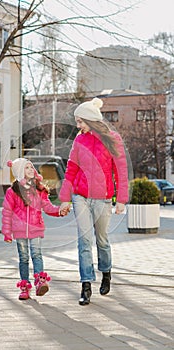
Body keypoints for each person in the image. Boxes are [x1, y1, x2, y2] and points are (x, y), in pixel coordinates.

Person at [59, 97, 129, 306]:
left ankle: (106, 272)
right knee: (84, 241)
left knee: (102, 240)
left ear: (90, 119)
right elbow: (71, 170)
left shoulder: (112, 139)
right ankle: (86, 285)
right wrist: (65, 199)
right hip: (80, 197)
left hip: (103, 199)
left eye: (80, 121)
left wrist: (121, 200)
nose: (78, 126)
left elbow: (121, 171)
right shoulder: (79, 140)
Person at [2, 158, 69, 300]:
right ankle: (25, 287)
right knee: (24, 258)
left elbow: (47, 206)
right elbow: (7, 212)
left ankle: (40, 281)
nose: (31, 170)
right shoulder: (13, 191)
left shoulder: (39, 189)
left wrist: (59, 211)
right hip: (20, 231)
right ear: (20, 171)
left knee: (37, 254)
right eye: (27, 168)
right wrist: (7, 232)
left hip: (36, 228)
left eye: (31, 167)